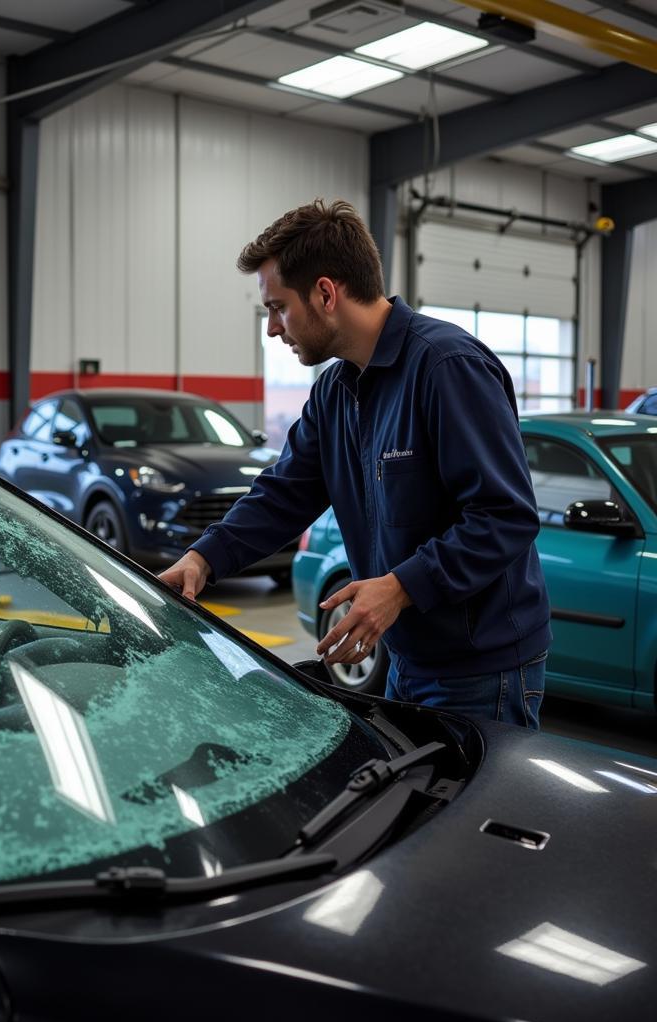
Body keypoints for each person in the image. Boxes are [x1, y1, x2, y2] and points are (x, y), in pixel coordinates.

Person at [158, 198, 551, 729]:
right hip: (406, 659)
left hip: (481, 670)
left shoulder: (447, 368)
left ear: (325, 293)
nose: (273, 329)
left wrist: (400, 586)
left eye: (277, 308)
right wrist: (203, 559)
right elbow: (284, 493)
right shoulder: (335, 391)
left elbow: (505, 515)